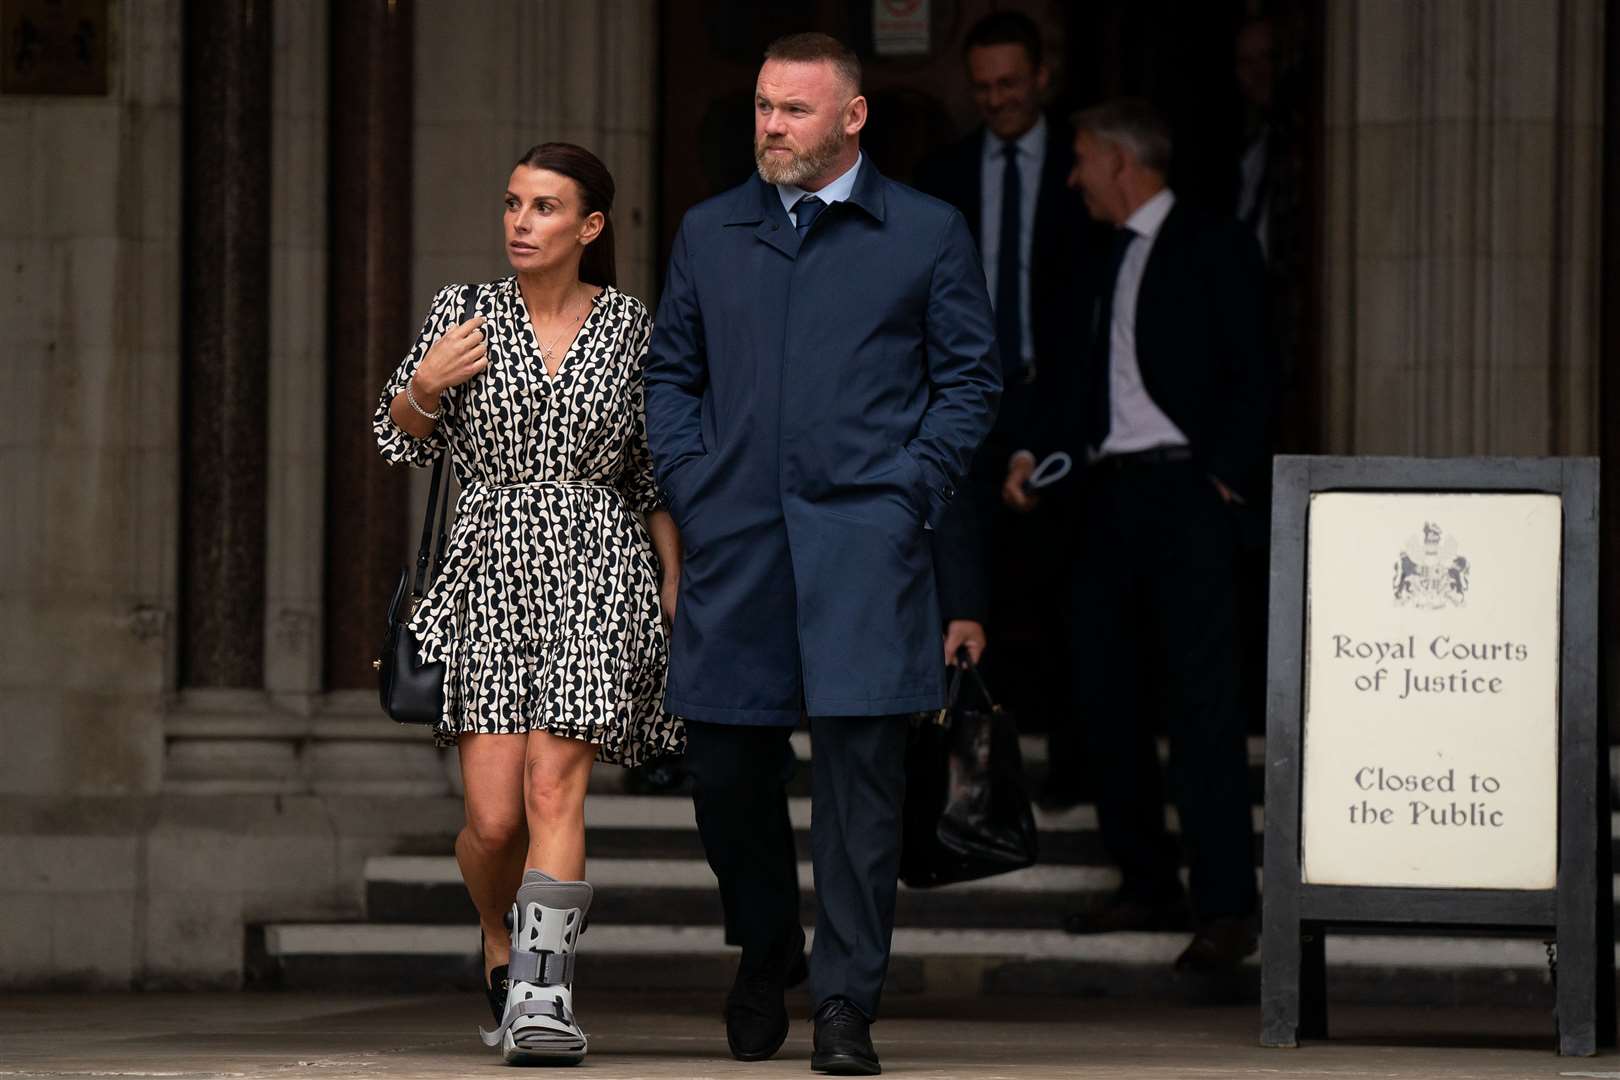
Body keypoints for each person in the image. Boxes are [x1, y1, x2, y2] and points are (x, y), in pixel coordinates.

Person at [644, 32, 1000, 1076]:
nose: (770, 126)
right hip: (736, 543)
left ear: (852, 118)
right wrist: (691, 482)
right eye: (761, 106)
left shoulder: (926, 231)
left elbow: (970, 381)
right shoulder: (710, 232)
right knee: (724, 768)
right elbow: (673, 372)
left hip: (866, 546)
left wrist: (909, 491)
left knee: (861, 788)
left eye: (793, 110)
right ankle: (766, 948)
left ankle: (847, 1002)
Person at [372, 142, 684, 1065]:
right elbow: (402, 440)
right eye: (513, 203)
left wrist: (674, 584)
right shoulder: (463, 314)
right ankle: (500, 940)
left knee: (557, 785)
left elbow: (651, 473)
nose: (520, 221)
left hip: (598, 570)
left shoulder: (633, 327)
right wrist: (424, 387)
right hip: (492, 571)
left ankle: (544, 1001)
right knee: (494, 822)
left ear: (589, 228)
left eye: (545, 207)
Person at [1003, 99, 1269, 972]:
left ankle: (1228, 906)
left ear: (1123, 163)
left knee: (1204, 705)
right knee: (1105, 696)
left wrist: (1225, 478)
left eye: (1081, 161)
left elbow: (1257, 370)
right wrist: (1036, 451)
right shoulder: (1092, 257)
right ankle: (1145, 877)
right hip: (1106, 497)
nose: (1072, 178)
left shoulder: (1215, 243)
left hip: (1189, 493)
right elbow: (1072, 382)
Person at [914, 9, 1093, 805]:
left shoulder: (1084, 166)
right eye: (983, 87)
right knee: (962, 585)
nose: (997, 100)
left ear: (1043, 77)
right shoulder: (944, 173)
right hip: (962, 405)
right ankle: (973, 768)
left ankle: (1069, 761)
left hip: (1058, 397)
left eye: (1010, 84)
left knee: (1063, 590)